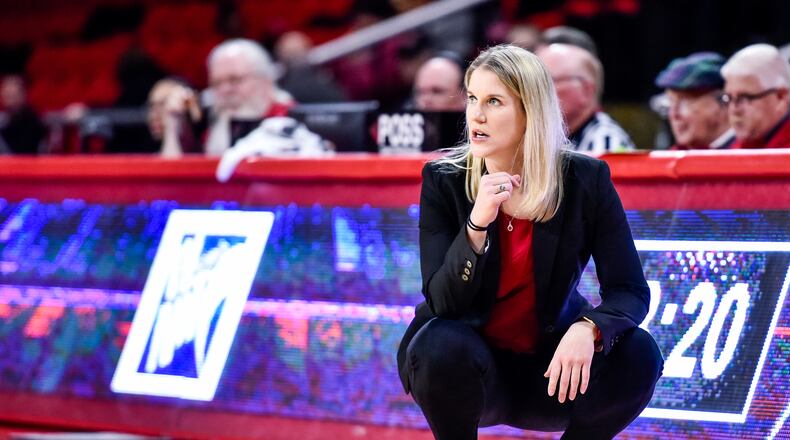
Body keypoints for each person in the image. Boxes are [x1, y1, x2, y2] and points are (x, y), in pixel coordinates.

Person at [396, 44, 662, 440]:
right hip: (470, 368)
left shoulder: (584, 180)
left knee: (639, 352)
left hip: (552, 372)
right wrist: (477, 223)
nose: (476, 115)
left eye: (494, 101)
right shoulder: (445, 179)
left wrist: (589, 328)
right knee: (438, 343)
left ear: (529, 111)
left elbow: (630, 290)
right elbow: (443, 303)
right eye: (472, 98)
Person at [161, 38, 294, 157]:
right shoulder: (213, 123)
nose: (225, 90)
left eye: (235, 80)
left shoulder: (292, 120)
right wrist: (173, 126)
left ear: (266, 80)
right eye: (216, 83)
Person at [536, 43, 635, 153]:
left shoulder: (606, 142)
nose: (536, 90)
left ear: (586, 90)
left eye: (548, 80)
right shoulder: (546, 137)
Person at [655, 52, 733, 149]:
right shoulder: (674, 156)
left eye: (685, 101)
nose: (674, 114)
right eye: (670, 102)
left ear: (725, 101)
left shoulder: (747, 155)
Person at [720, 43, 790, 148]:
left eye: (744, 97)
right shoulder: (730, 151)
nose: (734, 110)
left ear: (780, 97)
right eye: (729, 98)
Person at [0, 75, 46, 154]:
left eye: (12, 94)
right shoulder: (4, 119)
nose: (8, 96)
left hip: (25, 162)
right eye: (7, 94)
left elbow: (25, 151)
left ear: (23, 94)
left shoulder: (32, 121)